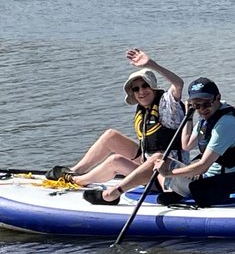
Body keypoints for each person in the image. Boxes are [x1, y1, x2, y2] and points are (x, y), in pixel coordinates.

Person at [84, 77, 235, 206]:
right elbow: (186, 144)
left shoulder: (225, 124)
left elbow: (202, 166)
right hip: (204, 181)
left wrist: (168, 172)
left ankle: (111, 194)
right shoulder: (208, 116)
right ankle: (80, 178)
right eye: (196, 105)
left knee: (157, 158)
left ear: (217, 98)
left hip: (213, 187)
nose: (202, 109)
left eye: (206, 103)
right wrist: (188, 116)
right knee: (151, 160)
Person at [54, 49, 185, 187]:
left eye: (145, 86)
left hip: (167, 175)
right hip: (147, 164)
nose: (141, 91)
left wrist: (151, 64)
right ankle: (75, 171)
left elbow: (178, 84)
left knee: (115, 160)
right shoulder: (145, 110)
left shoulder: (167, 105)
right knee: (110, 136)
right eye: (136, 89)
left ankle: (77, 181)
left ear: (153, 88)